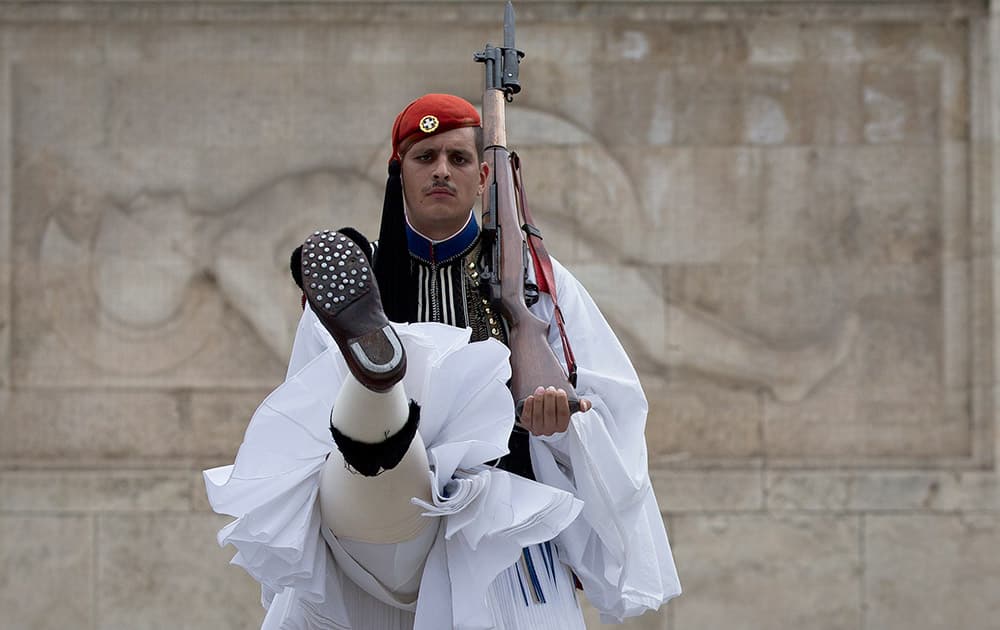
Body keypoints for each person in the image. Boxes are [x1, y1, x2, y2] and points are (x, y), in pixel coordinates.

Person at [205, 93, 681, 630]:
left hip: (503, 532)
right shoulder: (349, 287)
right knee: (360, 434)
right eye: (423, 157)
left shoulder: (536, 281)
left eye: (456, 159)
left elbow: (612, 405)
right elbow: (304, 417)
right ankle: (379, 394)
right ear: (398, 174)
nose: (440, 171)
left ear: (483, 178)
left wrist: (558, 427)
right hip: (374, 533)